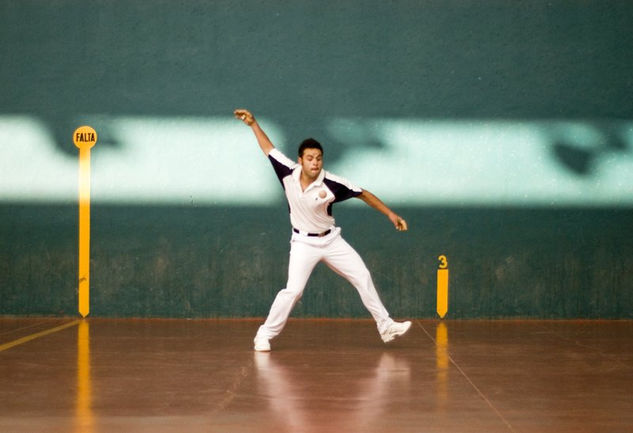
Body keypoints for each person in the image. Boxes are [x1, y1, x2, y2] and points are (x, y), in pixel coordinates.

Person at [234, 109, 412, 352]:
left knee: (363, 277)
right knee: (293, 291)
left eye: (318, 158)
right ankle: (264, 334)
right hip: (303, 243)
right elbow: (268, 148)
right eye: (310, 158)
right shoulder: (287, 172)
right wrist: (253, 124)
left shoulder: (332, 183)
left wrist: (390, 214)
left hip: (331, 241)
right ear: (300, 160)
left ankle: (386, 326)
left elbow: (364, 194)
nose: (315, 162)